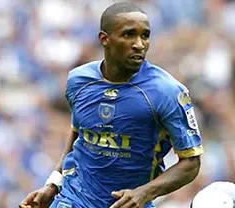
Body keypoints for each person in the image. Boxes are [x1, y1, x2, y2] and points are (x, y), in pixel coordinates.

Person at [19, 2, 203, 208]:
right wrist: (53, 184)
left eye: (145, 35)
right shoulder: (79, 80)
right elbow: (80, 135)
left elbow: (191, 163)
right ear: (104, 39)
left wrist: (143, 193)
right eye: (129, 35)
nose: (139, 44)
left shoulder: (167, 92)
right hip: (73, 199)